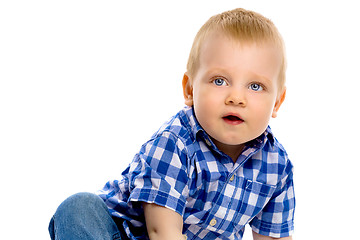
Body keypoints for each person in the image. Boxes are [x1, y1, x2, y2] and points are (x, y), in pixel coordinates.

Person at [49, 8, 295, 240]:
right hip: (125, 233)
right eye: (219, 81)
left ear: (277, 102)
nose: (236, 98)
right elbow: (161, 232)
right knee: (78, 208)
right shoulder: (175, 142)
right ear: (189, 89)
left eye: (255, 86)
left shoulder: (277, 165)